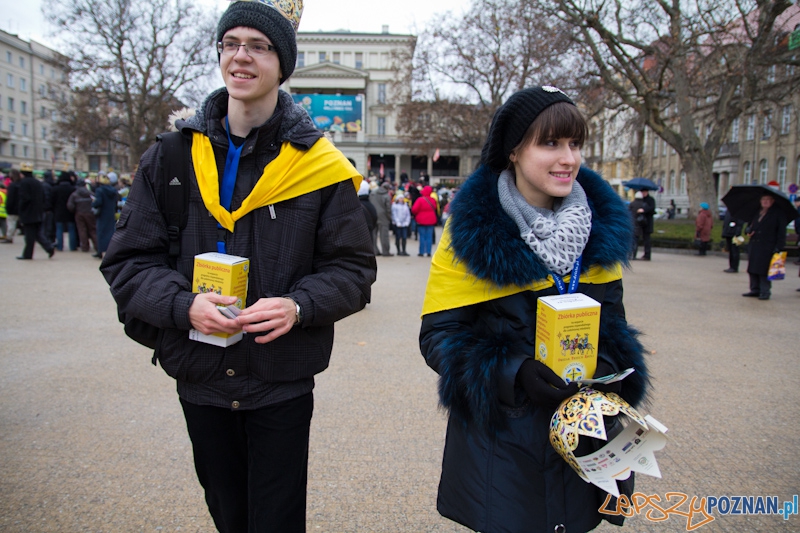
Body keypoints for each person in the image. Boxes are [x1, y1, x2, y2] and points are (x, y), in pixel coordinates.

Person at [99, 1, 376, 530]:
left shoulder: (320, 166)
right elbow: (129, 260)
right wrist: (184, 307)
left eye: (259, 46)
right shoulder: (172, 156)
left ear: (282, 63)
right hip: (201, 376)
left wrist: (299, 305)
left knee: (276, 520)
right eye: (230, 43)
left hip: (280, 378)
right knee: (228, 515)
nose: (241, 56)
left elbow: (353, 269)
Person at [419, 86, 649, 533]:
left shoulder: (601, 233)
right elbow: (438, 339)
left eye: (575, 144)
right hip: (502, 448)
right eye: (550, 143)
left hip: (584, 442)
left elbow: (617, 333)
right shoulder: (470, 235)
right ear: (513, 151)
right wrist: (514, 373)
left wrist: (605, 366)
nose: (568, 158)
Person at [742, 194, 787, 300]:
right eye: (763, 199)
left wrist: (779, 247)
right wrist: (748, 231)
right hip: (755, 244)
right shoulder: (757, 212)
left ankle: (765, 291)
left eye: (768, 199)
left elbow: (781, 232)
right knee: (752, 268)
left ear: (772, 201)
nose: (765, 201)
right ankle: (754, 289)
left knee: (763, 270)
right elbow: (749, 226)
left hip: (768, 245)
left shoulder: (778, 213)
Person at [17, 164, 55, 260]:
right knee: (38, 233)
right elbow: (43, 197)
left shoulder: (24, 183)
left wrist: (20, 210)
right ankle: (49, 247)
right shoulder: (37, 182)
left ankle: (28, 254)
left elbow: (24, 198)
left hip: (28, 213)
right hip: (38, 212)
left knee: (30, 235)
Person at [67, 178, 99, 253]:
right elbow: (96, 200)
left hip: (79, 213)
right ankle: (97, 245)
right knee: (93, 229)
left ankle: (85, 247)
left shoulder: (74, 194)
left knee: (82, 230)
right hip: (90, 213)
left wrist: (75, 210)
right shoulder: (89, 193)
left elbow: (70, 205)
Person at [92, 173, 119, 259]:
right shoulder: (113, 190)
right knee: (110, 232)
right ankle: (111, 250)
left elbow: (98, 202)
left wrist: (93, 203)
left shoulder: (99, 190)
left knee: (101, 232)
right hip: (110, 213)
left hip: (102, 213)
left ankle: (100, 251)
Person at [52, 171, 78, 251]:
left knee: (59, 229)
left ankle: (60, 246)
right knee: (71, 229)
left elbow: (52, 201)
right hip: (70, 211)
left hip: (59, 211)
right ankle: (72, 246)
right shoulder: (73, 188)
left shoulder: (55, 189)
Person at [411, 185, 437, 257]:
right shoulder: (433, 200)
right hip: (431, 220)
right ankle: (428, 252)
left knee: (422, 236)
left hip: (421, 220)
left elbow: (414, 209)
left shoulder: (420, 200)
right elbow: (435, 207)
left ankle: (421, 252)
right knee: (429, 237)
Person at [370, 181, 393, 255]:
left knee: (373, 235)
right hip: (383, 217)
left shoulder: (372, 193)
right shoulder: (386, 195)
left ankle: (375, 250)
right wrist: (389, 218)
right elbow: (388, 209)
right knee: (384, 235)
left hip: (373, 216)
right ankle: (385, 251)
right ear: (388, 188)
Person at [633, 188, 655, 259]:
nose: (643, 193)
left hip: (647, 222)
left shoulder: (651, 200)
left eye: (644, 192)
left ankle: (647, 254)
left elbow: (652, 208)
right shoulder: (641, 200)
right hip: (640, 222)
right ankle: (635, 254)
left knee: (647, 239)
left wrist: (644, 210)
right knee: (638, 239)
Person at [2, 169, 21, 244]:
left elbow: (10, 198)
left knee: (11, 222)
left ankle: (9, 237)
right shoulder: (20, 184)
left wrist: (8, 207)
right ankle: (10, 235)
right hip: (18, 207)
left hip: (12, 207)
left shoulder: (12, 185)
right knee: (14, 222)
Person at [628, 191, 647, 260]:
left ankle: (629, 255)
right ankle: (634, 255)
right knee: (636, 241)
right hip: (639, 225)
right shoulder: (643, 204)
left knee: (631, 241)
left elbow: (628, 212)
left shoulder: (632, 204)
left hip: (632, 224)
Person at [391, 191, 411, 256]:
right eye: (400, 198)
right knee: (398, 237)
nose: (401, 199)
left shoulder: (405, 205)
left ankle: (404, 250)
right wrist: (397, 222)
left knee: (404, 237)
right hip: (397, 224)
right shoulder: (394, 206)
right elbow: (394, 215)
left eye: (402, 198)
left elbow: (408, 214)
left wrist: (407, 222)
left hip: (404, 224)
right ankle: (398, 250)